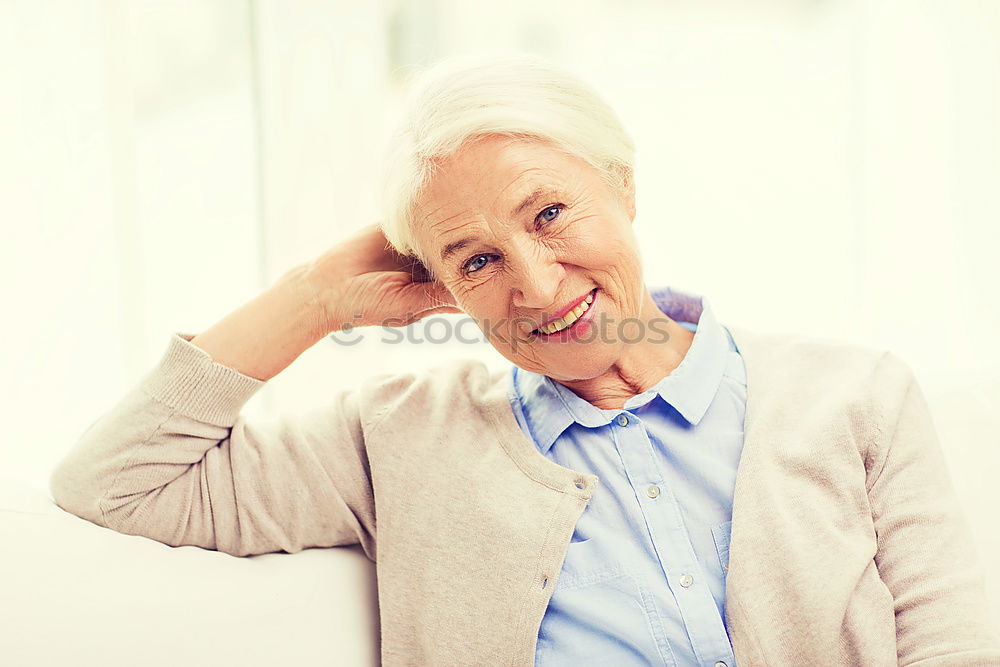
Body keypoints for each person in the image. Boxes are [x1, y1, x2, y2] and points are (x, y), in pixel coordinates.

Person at [49, 52, 1000, 666]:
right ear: (438, 287)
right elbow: (117, 481)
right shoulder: (397, 438)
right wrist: (318, 296)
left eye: (549, 214)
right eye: (476, 261)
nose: (539, 287)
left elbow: (951, 645)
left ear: (623, 186)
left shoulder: (857, 394)